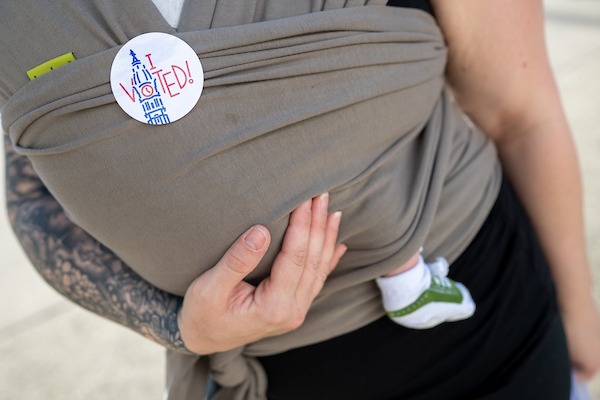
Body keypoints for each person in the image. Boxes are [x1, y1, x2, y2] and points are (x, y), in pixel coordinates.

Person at [2, 1, 600, 400]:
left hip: (489, 338)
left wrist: (578, 319)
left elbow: (522, 115)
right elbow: (33, 195)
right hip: (267, 380)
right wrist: (179, 327)